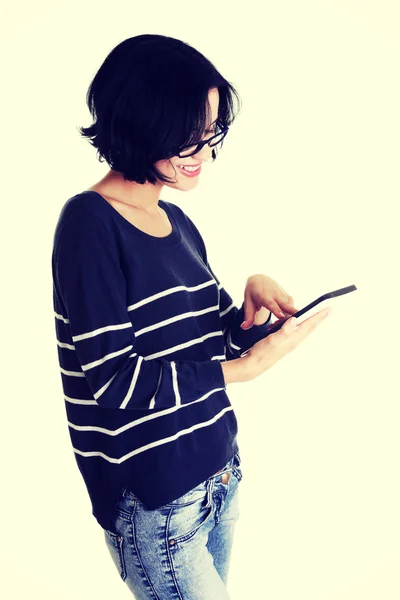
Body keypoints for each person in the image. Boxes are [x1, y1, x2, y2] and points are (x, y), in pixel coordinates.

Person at [51, 34, 331, 599]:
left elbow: (211, 344)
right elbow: (114, 382)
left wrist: (252, 315)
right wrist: (245, 371)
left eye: (210, 135)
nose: (203, 153)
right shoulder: (89, 225)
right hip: (156, 503)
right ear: (139, 123)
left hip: (218, 475)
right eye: (188, 138)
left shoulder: (177, 223)